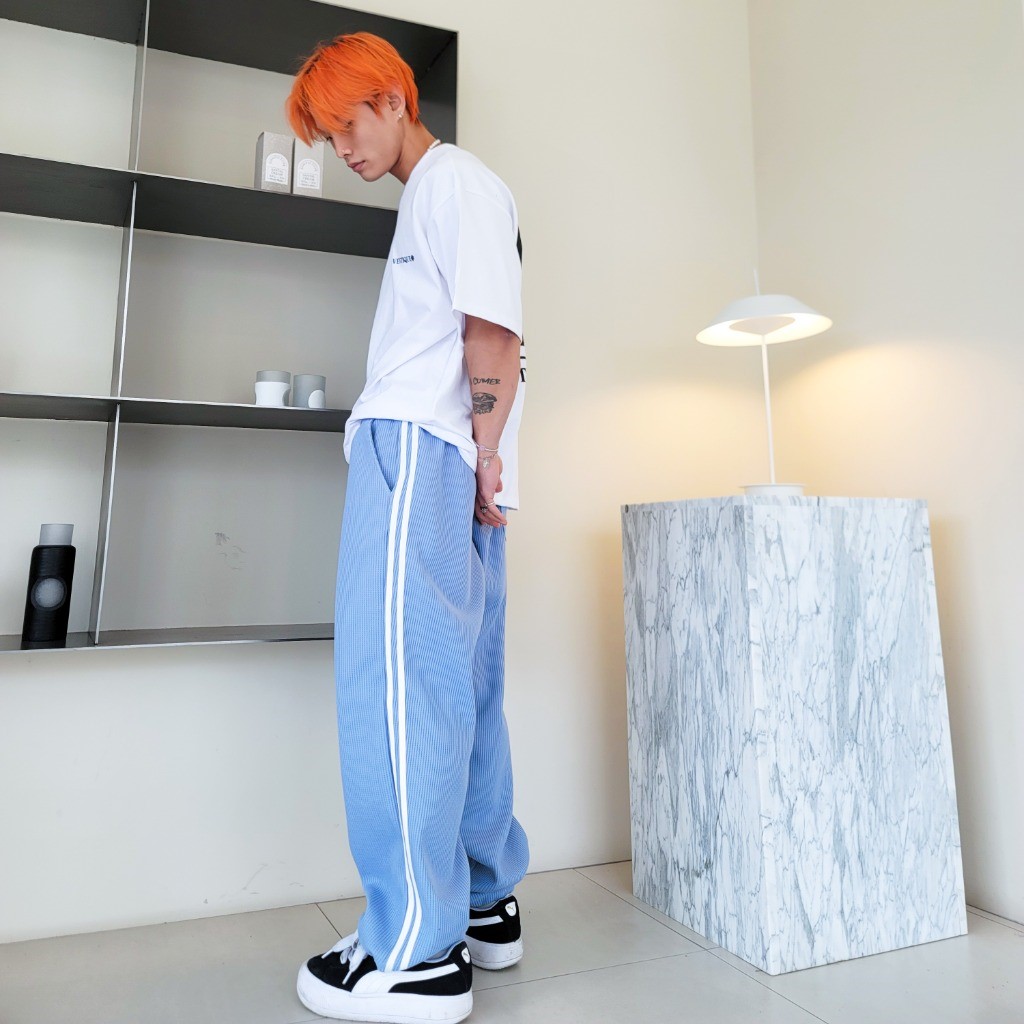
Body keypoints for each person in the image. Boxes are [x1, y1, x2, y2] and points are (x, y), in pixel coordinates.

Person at [285, 32, 529, 1024]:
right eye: (327, 136)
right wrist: (488, 454)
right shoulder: (448, 192)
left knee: (395, 691)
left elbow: (492, 331)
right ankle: (481, 900)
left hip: (423, 449)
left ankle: (416, 949)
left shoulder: (450, 183)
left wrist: (482, 448)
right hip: (455, 457)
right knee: (460, 692)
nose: (342, 147)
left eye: (347, 123)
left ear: (394, 96)